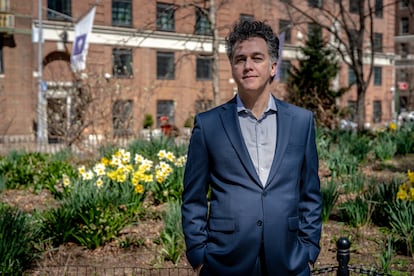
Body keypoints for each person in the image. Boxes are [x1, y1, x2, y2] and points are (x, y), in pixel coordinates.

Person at [181, 19, 322, 275]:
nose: (248, 66)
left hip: (289, 260)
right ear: (232, 68)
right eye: (240, 59)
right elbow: (193, 198)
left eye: (257, 58)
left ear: (273, 67)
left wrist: (309, 252)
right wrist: (199, 256)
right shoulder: (208, 125)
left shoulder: (302, 122)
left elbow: (310, 194)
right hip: (225, 261)